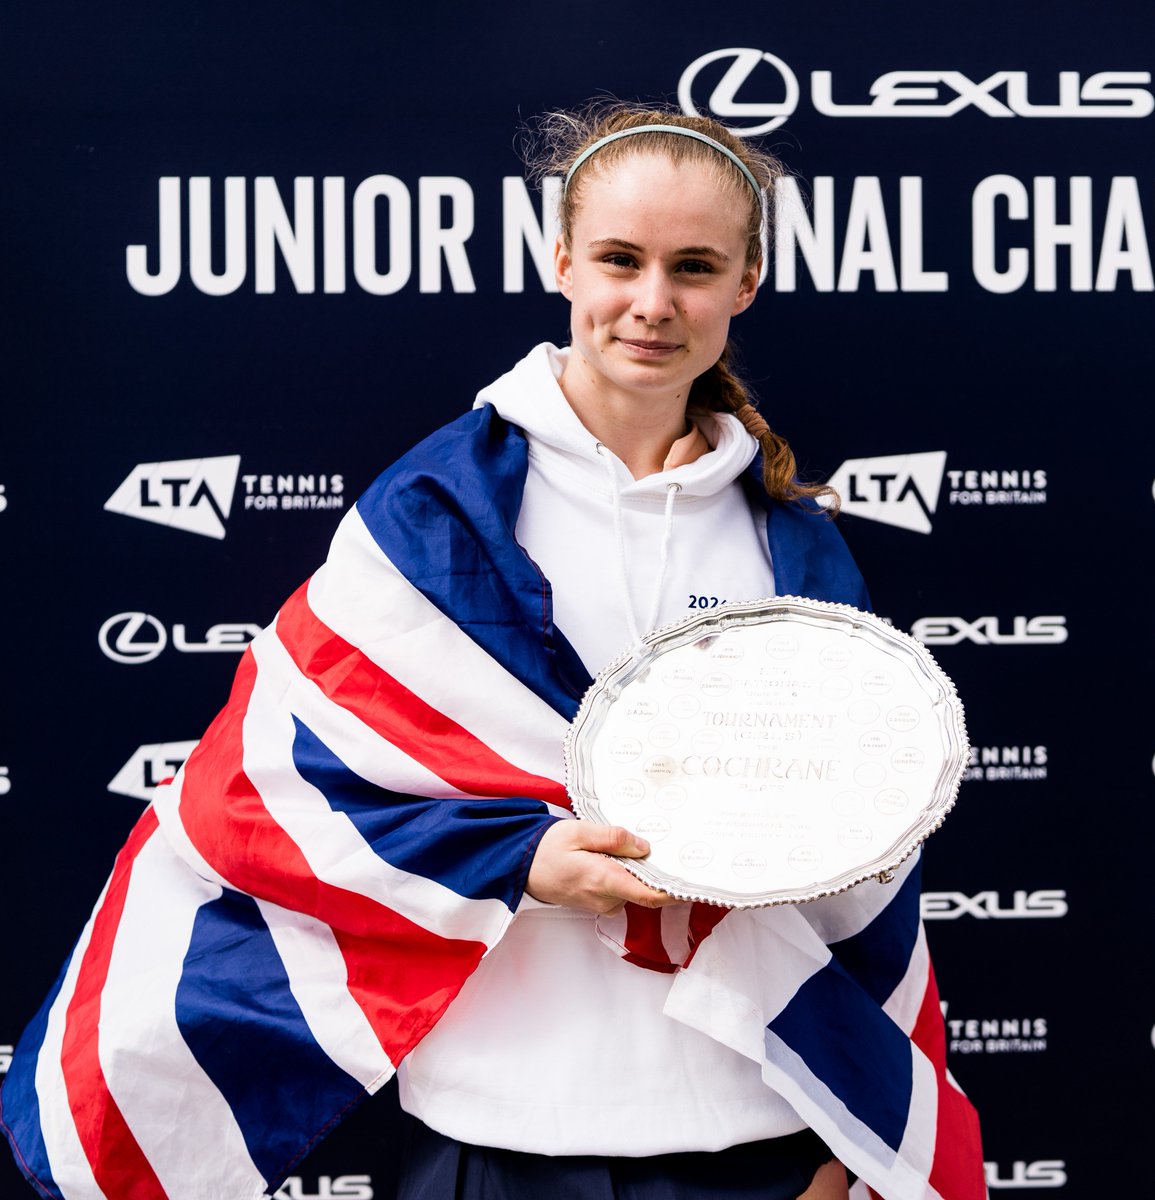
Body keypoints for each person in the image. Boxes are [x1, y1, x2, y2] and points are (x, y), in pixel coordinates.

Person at [1, 105, 984, 1200]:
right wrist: (519, 860)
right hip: (494, 1132)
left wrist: (847, 1144)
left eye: (694, 267)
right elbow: (277, 790)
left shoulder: (789, 541)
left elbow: (860, 859)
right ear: (561, 261)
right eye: (620, 259)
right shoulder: (431, 513)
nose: (652, 303)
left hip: (751, 1131)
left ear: (744, 286)